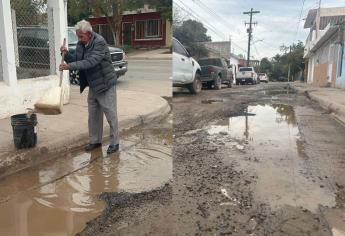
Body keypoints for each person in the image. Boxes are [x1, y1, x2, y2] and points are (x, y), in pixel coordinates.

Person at [59, 20, 119, 154]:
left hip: (105, 83)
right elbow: (77, 59)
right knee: (93, 115)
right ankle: (95, 141)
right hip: (93, 84)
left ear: (89, 34)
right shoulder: (81, 44)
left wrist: (69, 67)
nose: (79, 39)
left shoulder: (100, 42)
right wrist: (66, 54)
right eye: (78, 36)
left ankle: (115, 143)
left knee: (110, 114)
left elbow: (91, 61)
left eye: (81, 36)